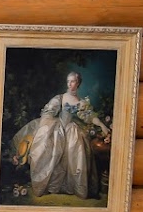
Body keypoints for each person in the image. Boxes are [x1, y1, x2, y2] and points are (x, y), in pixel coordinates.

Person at [9, 70, 111, 201]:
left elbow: (89, 117)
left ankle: (72, 186)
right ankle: (50, 185)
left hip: (71, 129)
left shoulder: (81, 102)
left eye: (73, 81)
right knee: (47, 150)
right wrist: (48, 126)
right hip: (57, 128)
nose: (70, 84)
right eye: (68, 81)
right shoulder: (60, 98)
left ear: (78, 83)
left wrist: (102, 125)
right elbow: (48, 112)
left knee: (75, 151)